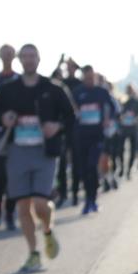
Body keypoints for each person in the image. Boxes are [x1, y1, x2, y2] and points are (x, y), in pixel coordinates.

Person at [0, 44, 76, 272]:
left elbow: (71, 117)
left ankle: (47, 230)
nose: (28, 60)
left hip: (44, 152)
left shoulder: (53, 88)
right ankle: (33, 253)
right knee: (22, 206)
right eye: (25, 56)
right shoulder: (9, 89)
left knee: (40, 204)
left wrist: (56, 126)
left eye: (32, 56)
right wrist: (4, 118)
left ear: (39, 59)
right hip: (17, 152)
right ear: (20, 60)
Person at [71, 66, 117, 214]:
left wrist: (108, 119)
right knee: (84, 169)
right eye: (87, 77)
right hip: (81, 135)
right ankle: (88, 199)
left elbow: (113, 108)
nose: (90, 80)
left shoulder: (101, 92)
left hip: (97, 135)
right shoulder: (77, 92)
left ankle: (92, 199)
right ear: (83, 77)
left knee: (92, 166)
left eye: (92, 77)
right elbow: (70, 110)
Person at [0, 44, 21, 230]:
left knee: (12, 176)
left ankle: (10, 212)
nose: (7, 56)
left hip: (17, 135)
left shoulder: (19, 80)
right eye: (4, 53)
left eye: (10, 53)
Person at [54, 57, 82, 208]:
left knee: (77, 162)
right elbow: (52, 78)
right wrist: (59, 62)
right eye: (67, 66)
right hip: (63, 129)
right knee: (61, 164)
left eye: (72, 67)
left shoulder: (80, 85)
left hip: (76, 128)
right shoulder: (61, 84)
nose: (69, 69)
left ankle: (76, 192)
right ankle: (62, 192)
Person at [120, 85, 138, 179]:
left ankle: (129, 170)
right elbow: (118, 113)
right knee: (120, 150)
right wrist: (121, 118)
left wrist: (136, 120)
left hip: (133, 129)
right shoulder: (123, 101)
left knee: (133, 151)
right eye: (128, 90)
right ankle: (122, 167)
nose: (130, 92)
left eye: (131, 91)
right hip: (123, 129)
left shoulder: (137, 103)